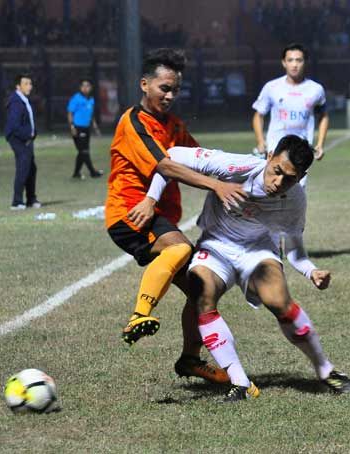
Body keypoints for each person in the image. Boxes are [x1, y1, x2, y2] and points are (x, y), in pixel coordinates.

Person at [142, 135, 350, 402]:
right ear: (269, 156)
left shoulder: (294, 200)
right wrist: (150, 199)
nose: (279, 183)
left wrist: (311, 271)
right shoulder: (233, 166)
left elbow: (295, 249)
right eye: (277, 172)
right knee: (201, 293)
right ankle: (240, 383)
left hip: (258, 250)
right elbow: (170, 157)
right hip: (216, 247)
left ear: (301, 176)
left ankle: (327, 371)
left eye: (290, 179)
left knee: (279, 301)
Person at [104, 48, 246, 383]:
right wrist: (214, 186)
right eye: (163, 88)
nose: (169, 95)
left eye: (175, 90)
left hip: (159, 216)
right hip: (131, 213)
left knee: (201, 290)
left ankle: (190, 360)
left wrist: (253, 165)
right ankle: (140, 315)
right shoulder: (134, 122)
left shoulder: (175, 126)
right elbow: (166, 166)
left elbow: (204, 159)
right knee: (179, 249)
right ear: (144, 84)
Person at [251, 43, 329, 187]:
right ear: (283, 63)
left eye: (299, 60)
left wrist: (320, 144)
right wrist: (261, 141)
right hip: (276, 149)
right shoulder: (272, 87)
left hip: (301, 152)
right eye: (290, 60)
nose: (294, 65)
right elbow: (258, 115)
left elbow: (323, 116)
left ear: (305, 62)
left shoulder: (316, 89)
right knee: (271, 187)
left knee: (296, 190)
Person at [5, 73, 39, 210]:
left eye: (30, 83)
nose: (29, 86)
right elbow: (14, 126)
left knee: (31, 168)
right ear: (18, 86)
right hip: (18, 139)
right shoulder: (15, 101)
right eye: (26, 83)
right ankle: (17, 201)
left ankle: (31, 199)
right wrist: (27, 137)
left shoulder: (23, 99)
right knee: (23, 168)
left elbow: (27, 120)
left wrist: (33, 133)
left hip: (26, 138)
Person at [67, 79, 103, 179]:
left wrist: (95, 126)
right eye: (83, 86)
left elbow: (91, 115)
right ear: (80, 87)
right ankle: (92, 172)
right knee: (84, 151)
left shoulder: (91, 99)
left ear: (91, 88)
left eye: (87, 86)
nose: (85, 88)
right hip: (78, 128)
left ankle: (76, 173)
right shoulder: (76, 98)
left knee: (82, 152)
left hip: (86, 128)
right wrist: (72, 126)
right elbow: (70, 113)